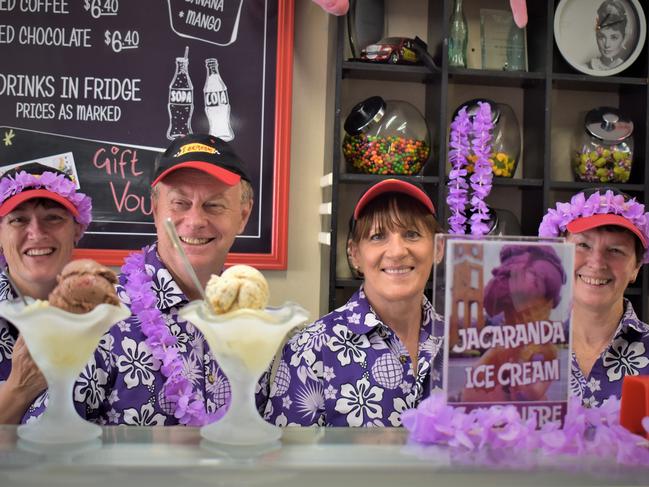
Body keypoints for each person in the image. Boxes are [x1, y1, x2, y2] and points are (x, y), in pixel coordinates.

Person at [22, 133, 255, 426]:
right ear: (156, 210)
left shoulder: (255, 324)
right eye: (180, 203)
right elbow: (42, 441)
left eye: (215, 205)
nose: (195, 220)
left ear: (243, 215)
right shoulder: (98, 317)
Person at [264, 179, 444, 427]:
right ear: (355, 254)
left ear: (438, 248)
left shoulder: (466, 344)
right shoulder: (309, 350)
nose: (397, 251)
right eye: (378, 236)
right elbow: (289, 461)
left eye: (411, 234)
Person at [539, 187, 649, 407]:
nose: (597, 263)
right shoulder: (519, 347)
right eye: (583, 245)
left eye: (615, 250)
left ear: (636, 267)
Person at [0, 163, 92, 423]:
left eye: (53, 217)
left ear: (77, 230)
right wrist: (19, 389)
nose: (37, 233)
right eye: (18, 219)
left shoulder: (117, 313)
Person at [459, 245, 567, 403]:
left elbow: (535, 393)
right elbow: (475, 376)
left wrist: (519, 366)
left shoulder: (548, 352)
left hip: (534, 416)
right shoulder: (503, 347)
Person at [589, 0, 629, 71]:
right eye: (602, 37)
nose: (607, 45)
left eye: (614, 37)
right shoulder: (588, 66)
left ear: (624, 38)